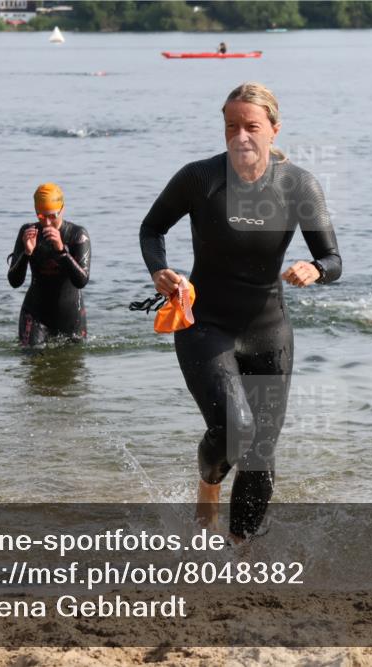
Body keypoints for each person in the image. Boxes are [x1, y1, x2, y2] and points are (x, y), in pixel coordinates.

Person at [139, 82, 342, 542]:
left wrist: (315, 269)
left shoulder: (298, 185)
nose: (241, 136)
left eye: (251, 126)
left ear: (274, 129)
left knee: (260, 455)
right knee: (236, 429)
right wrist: (160, 271)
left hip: (269, 332)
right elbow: (152, 229)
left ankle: (240, 552)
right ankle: (208, 486)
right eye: (231, 126)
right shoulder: (200, 178)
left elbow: (333, 259)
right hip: (205, 326)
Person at [7, 183, 91, 347]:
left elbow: (81, 281)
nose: (47, 222)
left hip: (71, 316)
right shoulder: (28, 232)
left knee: (73, 360)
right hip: (35, 314)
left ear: (62, 209)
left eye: (53, 216)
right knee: (31, 357)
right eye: (41, 216)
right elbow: (14, 282)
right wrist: (27, 253)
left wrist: (61, 250)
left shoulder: (77, 235)